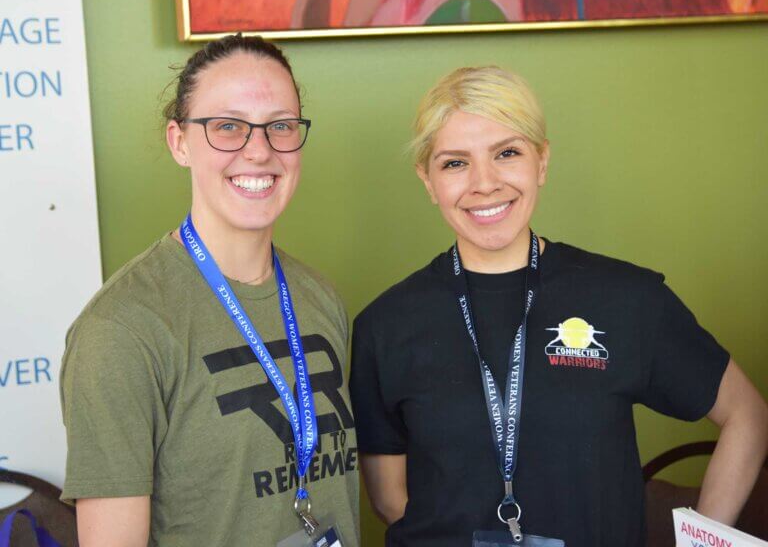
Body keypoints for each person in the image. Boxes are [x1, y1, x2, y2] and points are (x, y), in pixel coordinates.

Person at [349, 66, 768, 547]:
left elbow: (747, 415)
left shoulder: (626, 298)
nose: (484, 183)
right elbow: (390, 499)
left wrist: (703, 543)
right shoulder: (384, 325)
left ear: (542, 162)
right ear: (427, 180)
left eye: (507, 153)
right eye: (455, 163)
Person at [60, 34, 359, 547]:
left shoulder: (319, 298)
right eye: (228, 126)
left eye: (280, 126)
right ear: (179, 142)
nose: (259, 151)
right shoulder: (120, 330)